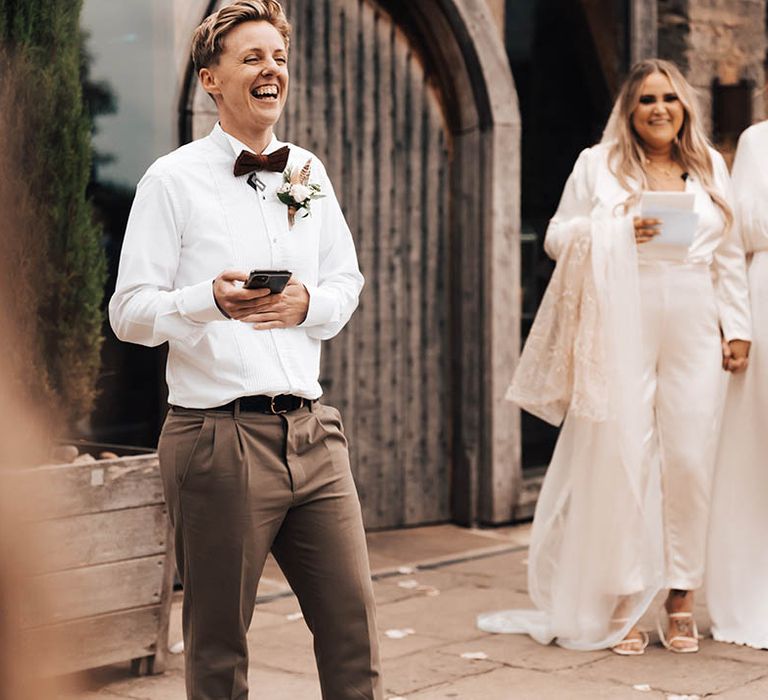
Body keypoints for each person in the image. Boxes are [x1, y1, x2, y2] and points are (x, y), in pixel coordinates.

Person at [109, 2, 383, 698]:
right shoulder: (171, 180)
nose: (272, 71)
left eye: (280, 58)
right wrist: (208, 300)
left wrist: (309, 305)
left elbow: (346, 279)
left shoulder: (306, 173)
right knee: (220, 648)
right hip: (217, 441)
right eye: (253, 58)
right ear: (211, 79)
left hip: (315, 435)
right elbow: (128, 314)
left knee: (354, 628)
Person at [478, 59, 751, 655]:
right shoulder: (595, 164)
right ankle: (625, 600)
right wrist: (617, 227)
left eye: (670, 99)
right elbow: (556, 235)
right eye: (647, 99)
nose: (659, 109)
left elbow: (728, 255)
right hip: (621, 314)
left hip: (695, 318)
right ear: (629, 108)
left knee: (689, 455)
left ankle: (682, 592)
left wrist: (739, 328)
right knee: (622, 452)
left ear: (685, 108)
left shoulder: (709, 166)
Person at [706, 120, 768, 649]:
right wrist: (737, 327)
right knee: (756, 450)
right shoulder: (757, 142)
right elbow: (736, 235)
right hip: (766, 293)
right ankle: (752, 591)